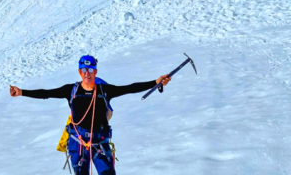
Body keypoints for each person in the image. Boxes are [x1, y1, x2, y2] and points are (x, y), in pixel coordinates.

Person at [9, 55, 171, 175]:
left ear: (95, 71)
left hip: (99, 142)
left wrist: (154, 82)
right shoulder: (71, 90)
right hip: (78, 142)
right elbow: (46, 93)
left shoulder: (104, 91)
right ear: (80, 72)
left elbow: (130, 88)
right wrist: (22, 92)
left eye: (91, 69)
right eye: (84, 70)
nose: (88, 73)